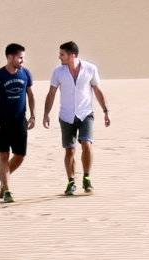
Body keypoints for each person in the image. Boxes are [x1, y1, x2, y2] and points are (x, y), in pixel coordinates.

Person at [42, 40, 111, 195]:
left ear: (72, 55)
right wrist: (46, 113)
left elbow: (97, 90)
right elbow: (51, 93)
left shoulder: (90, 68)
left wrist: (106, 111)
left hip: (85, 113)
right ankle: (71, 182)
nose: (59, 57)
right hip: (66, 116)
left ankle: (86, 178)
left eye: (62, 54)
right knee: (70, 150)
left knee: (86, 143)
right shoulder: (58, 72)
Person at [0, 42, 37, 203]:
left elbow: (31, 95)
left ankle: (3, 177)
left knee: (20, 155)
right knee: (3, 155)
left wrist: (33, 115)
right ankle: (7, 190)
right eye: (20, 58)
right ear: (10, 57)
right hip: (1, 121)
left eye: (23, 58)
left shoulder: (26, 73)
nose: (22, 61)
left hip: (20, 121)